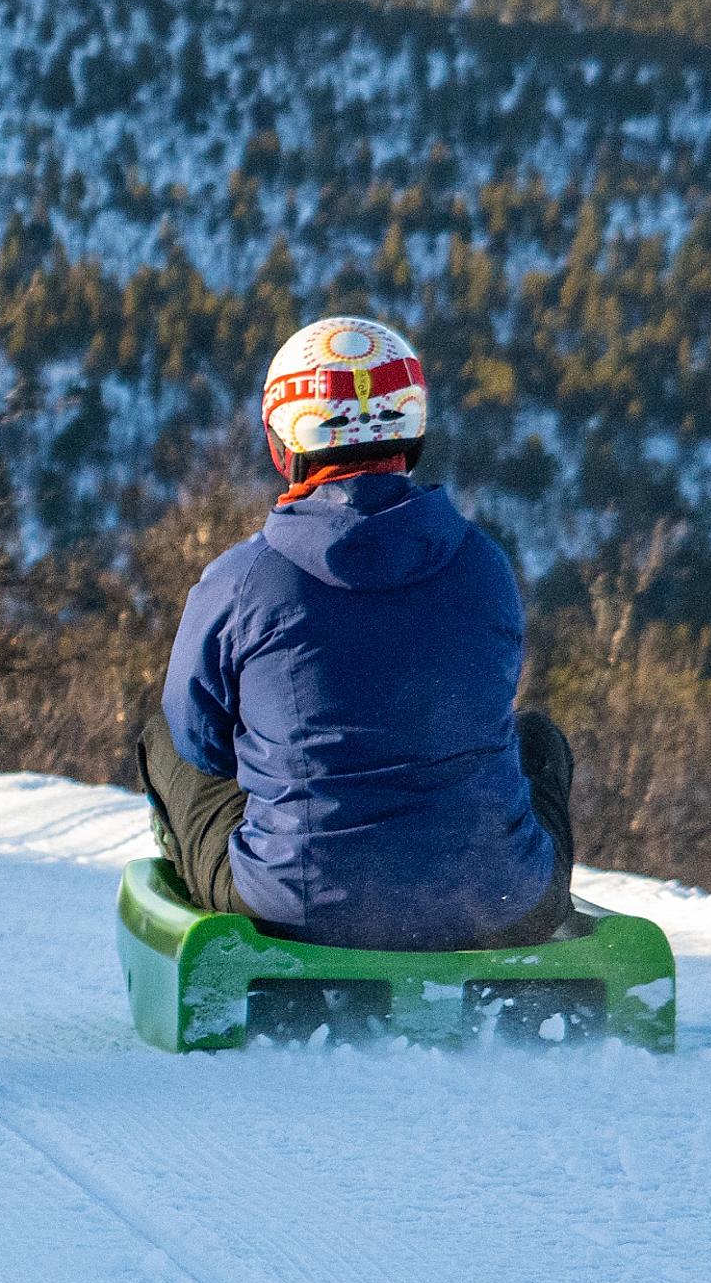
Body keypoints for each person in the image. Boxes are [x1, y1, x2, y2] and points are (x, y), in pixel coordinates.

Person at [135, 312, 575, 951]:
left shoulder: (242, 580)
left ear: (284, 444)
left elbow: (199, 742)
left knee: (164, 740)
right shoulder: (485, 565)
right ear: (413, 431)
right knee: (536, 738)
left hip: (302, 909)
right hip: (498, 903)